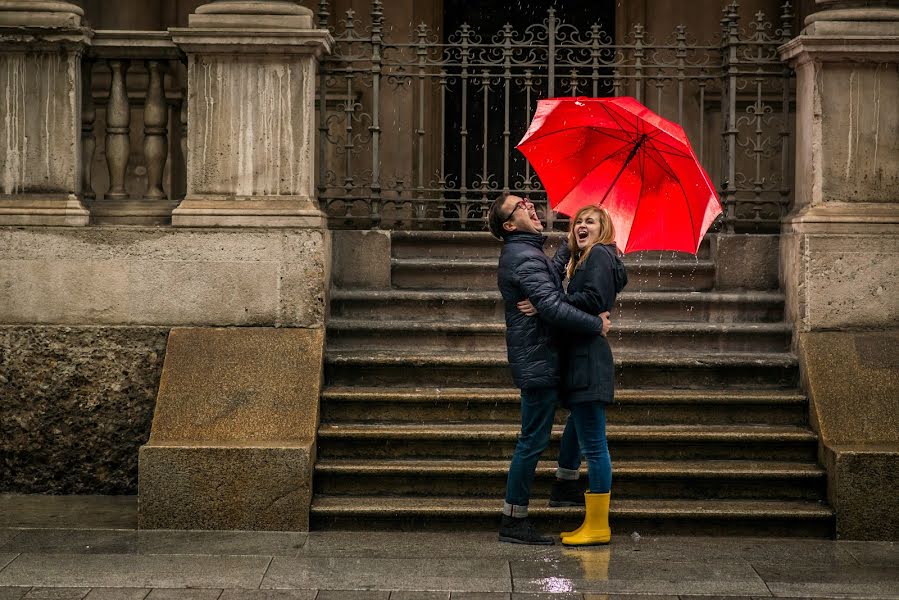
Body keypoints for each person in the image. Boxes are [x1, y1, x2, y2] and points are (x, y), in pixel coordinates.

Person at [487, 193, 611, 545]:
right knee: (532, 441)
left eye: (527, 200)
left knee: (577, 414)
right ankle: (513, 519)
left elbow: (549, 278)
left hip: (546, 355)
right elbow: (554, 307)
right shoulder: (522, 256)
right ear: (510, 225)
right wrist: (595, 324)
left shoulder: (526, 253)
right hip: (538, 359)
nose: (529, 205)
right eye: (520, 206)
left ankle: (565, 483)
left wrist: (568, 246)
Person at [520, 204, 627, 546]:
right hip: (582, 357)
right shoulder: (587, 258)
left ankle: (598, 525)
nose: (582, 225)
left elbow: (594, 298)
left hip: (588, 360)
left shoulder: (598, 256)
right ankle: (566, 488)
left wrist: (549, 302)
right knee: (579, 430)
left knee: (595, 446)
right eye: (579, 221)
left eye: (591, 221)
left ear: (604, 228)